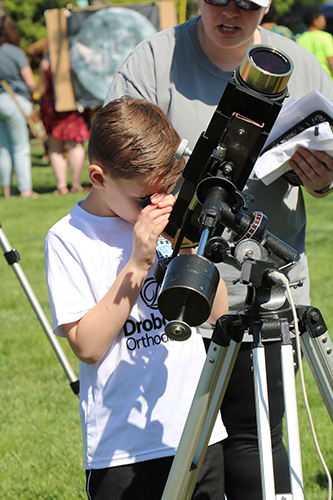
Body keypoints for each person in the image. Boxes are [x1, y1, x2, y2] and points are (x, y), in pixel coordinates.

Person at [104, 1, 333, 498]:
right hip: (178, 289)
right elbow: (113, 162)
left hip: (269, 291)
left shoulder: (302, 66)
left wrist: (322, 179)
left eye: (247, 4)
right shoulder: (152, 62)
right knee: (186, 457)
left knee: (260, 444)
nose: (230, 12)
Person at [44, 97, 229, 500]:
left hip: (197, 434)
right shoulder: (68, 239)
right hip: (124, 451)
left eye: (167, 192)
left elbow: (218, 315)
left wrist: (185, 248)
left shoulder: (168, 227)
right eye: (145, 199)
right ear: (98, 177)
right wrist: (138, 263)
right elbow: (88, 347)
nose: (157, 206)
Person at [39, 52, 90, 195]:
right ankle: (75, 185)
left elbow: (43, 84)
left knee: (56, 147)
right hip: (73, 104)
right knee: (75, 144)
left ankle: (61, 187)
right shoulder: (75, 55)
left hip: (52, 105)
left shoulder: (47, 58)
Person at [0, 15, 38, 198]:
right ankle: (26, 190)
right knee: (21, 148)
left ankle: (6, 190)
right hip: (15, 102)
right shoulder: (15, 52)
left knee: (4, 148)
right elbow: (30, 82)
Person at [296, 6, 333, 81]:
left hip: (308, 80)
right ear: (315, 21)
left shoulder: (300, 39)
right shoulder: (325, 37)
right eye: (322, 19)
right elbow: (331, 61)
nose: (324, 21)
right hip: (326, 79)